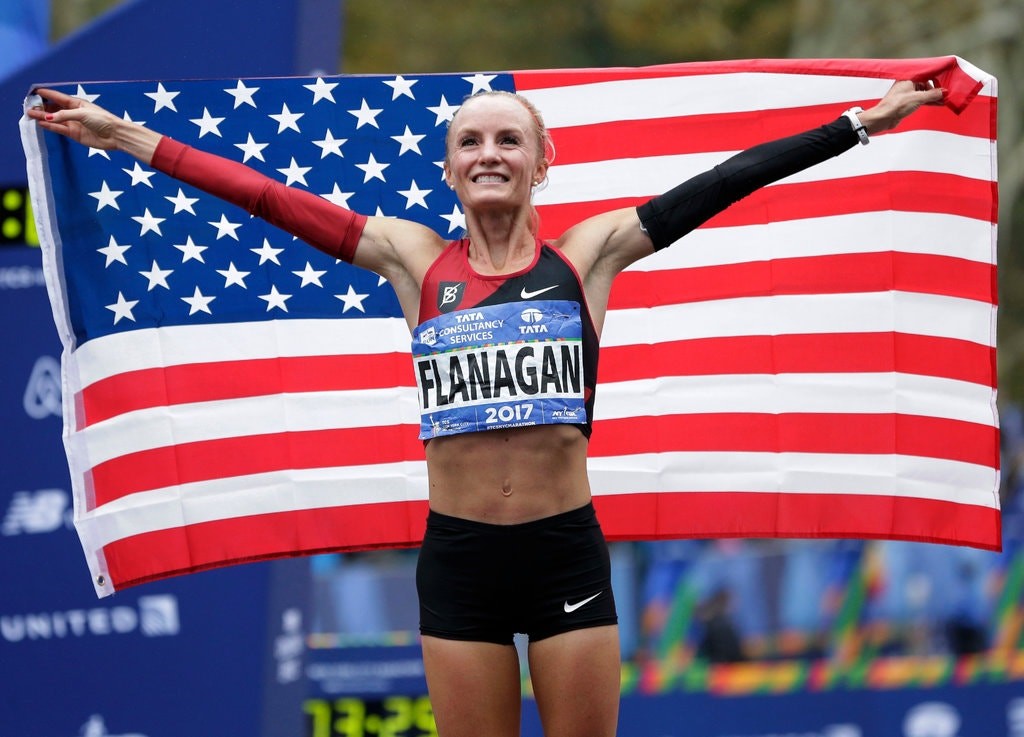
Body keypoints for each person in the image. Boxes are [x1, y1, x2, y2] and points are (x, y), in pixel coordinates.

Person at [29, 77, 943, 737]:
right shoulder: (414, 259)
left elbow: (724, 182)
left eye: (508, 140)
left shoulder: (588, 255)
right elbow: (268, 198)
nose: (489, 154)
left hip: (563, 553)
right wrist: (125, 138)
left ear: (541, 163)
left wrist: (858, 125)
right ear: (449, 169)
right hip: (460, 561)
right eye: (470, 143)